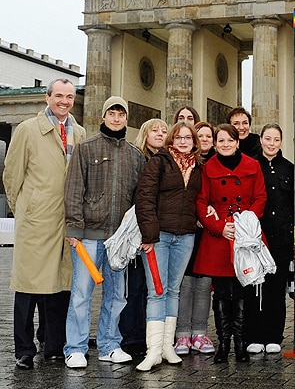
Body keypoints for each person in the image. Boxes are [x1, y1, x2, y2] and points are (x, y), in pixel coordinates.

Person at [3, 79, 86, 370]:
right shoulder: (27, 130)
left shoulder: (80, 132)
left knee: (59, 285)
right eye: (59, 95)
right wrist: (24, 210)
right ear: (48, 97)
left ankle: (52, 344)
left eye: (69, 96)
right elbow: (12, 176)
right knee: (28, 287)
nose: (64, 101)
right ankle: (24, 349)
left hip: (65, 221)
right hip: (36, 220)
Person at [63, 96, 145, 368]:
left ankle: (110, 345)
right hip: (88, 235)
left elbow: (138, 200)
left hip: (119, 240)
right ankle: (75, 347)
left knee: (116, 295)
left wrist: (134, 236)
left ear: (126, 118)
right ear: (103, 116)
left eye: (121, 114)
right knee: (81, 293)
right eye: (112, 113)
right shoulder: (86, 149)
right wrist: (73, 228)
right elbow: (74, 189)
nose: (116, 118)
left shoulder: (135, 155)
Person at [192, 124, 267, 363]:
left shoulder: (252, 166)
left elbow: (260, 197)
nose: (225, 144)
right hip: (219, 235)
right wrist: (218, 227)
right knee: (222, 293)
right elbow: (201, 202)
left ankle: (241, 346)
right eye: (221, 141)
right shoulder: (207, 168)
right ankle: (224, 346)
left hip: (245, 233)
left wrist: (246, 223)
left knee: (244, 289)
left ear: (237, 142)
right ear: (215, 144)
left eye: (230, 140)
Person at [135, 121, 203, 371]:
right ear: (171, 140)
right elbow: (144, 197)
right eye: (178, 137)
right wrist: (149, 234)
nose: (183, 141)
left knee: (173, 290)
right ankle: (152, 350)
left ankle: (167, 346)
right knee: (157, 291)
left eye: (188, 137)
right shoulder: (159, 162)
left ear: (194, 142)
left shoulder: (198, 167)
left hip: (185, 236)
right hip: (159, 237)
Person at [120, 118, 169, 357]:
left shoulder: (169, 161)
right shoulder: (137, 158)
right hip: (137, 231)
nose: (160, 134)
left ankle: (149, 336)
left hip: (159, 232)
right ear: (144, 133)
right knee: (135, 285)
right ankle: (132, 336)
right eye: (155, 130)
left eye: (164, 131)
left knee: (155, 287)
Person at [246, 123, 294, 354]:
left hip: (281, 239)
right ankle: (254, 336)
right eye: (267, 138)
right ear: (261, 140)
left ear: (281, 142)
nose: (271, 143)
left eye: (276, 139)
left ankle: (274, 335)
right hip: (257, 238)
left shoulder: (290, 169)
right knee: (255, 288)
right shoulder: (251, 166)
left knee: (276, 289)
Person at [174, 121, 217, 356]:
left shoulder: (209, 166)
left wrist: (207, 214)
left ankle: (199, 332)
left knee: (202, 284)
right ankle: (182, 335)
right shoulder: (185, 164)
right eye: (200, 135)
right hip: (187, 228)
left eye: (208, 135)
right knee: (185, 282)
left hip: (206, 231)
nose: (204, 139)